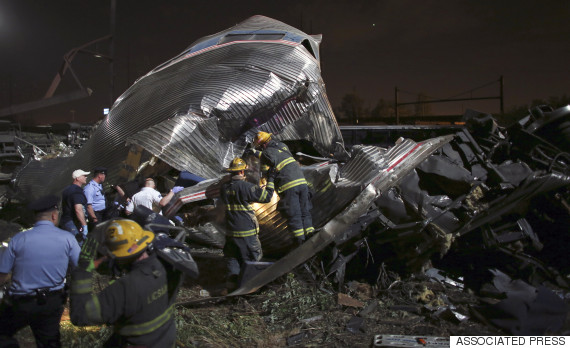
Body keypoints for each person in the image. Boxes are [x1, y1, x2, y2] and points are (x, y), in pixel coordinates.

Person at [70, 219, 183, 347]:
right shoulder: (167, 266)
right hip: (165, 340)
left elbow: (80, 315)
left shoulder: (124, 289)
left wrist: (83, 270)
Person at [0, 195, 80, 347]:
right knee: (49, 341)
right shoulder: (67, 238)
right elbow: (82, 267)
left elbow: (2, 274)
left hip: (20, 301)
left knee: (3, 333)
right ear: (54, 215)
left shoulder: (18, 239)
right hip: (52, 301)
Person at [220, 157, 275, 291]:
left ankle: (232, 289)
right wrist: (271, 179)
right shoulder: (247, 187)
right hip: (247, 234)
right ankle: (251, 290)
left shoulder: (224, 188)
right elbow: (267, 197)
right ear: (241, 172)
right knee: (252, 261)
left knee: (233, 260)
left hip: (231, 233)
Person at [249, 131, 314, 244]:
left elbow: (267, 158)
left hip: (289, 185)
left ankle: (299, 241)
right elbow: (270, 164)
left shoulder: (267, 153)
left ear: (263, 145)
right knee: (305, 210)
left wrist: (254, 152)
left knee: (294, 214)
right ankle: (310, 233)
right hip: (302, 183)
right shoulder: (283, 146)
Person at [60, 169, 90, 243]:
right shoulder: (77, 191)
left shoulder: (67, 189)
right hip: (73, 223)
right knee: (78, 244)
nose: (86, 177)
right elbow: (78, 209)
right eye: (84, 176)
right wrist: (84, 225)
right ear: (78, 178)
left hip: (65, 222)